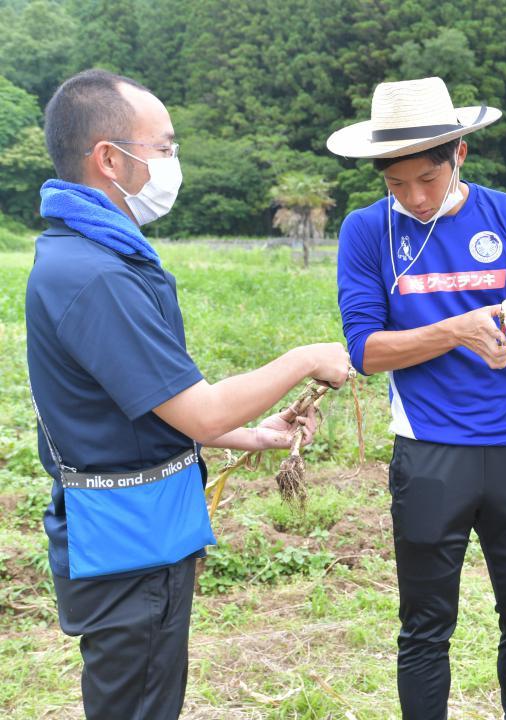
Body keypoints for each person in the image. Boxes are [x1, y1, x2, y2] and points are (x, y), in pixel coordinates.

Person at [25, 69, 352, 720]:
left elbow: (161, 406)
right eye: (164, 147)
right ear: (110, 159)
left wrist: (256, 433)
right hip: (131, 549)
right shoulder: (95, 278)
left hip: (145, 534)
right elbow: (199, 408)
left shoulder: (96, 258)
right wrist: (303, 359)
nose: (174, 162)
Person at [329, 76, 506, 720]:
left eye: (426, 181)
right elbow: (365, 352)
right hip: (429, 454)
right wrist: (456, 331)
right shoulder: (364, 233)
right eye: (396, 184)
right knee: (426, 626)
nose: (413, 197)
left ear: (458, 154)